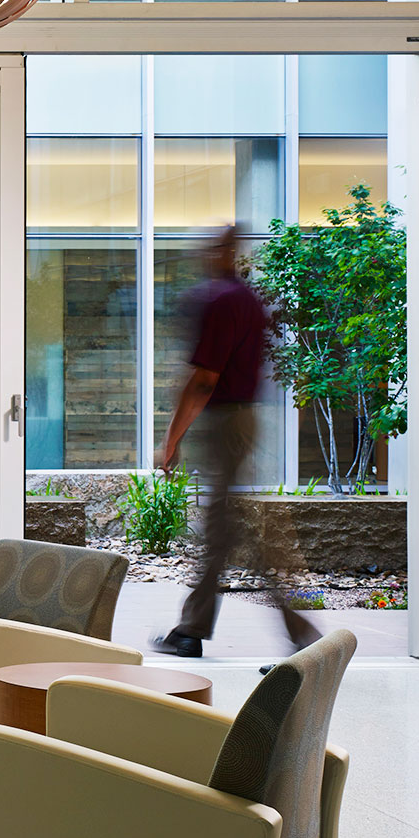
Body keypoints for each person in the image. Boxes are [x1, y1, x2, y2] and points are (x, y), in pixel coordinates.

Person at [153, 226, 320, 659]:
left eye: (213, 247)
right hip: (236, 421)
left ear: (226, 251)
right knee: (227, 526)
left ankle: (291, 631)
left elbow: (205, 380)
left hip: (226, 421)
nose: (206, 255)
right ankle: (204, 628)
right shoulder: (243, 299)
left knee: (227, 526)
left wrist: (171, 440)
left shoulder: (222, 301)